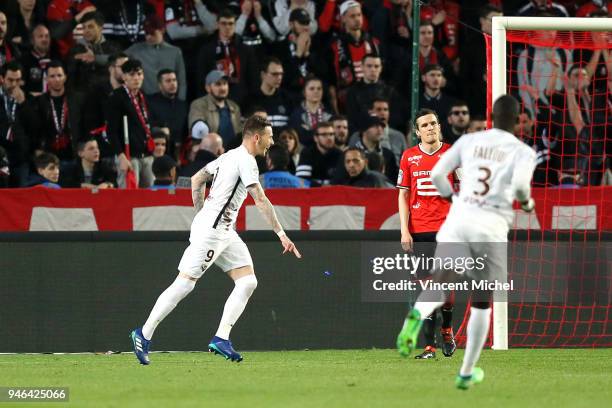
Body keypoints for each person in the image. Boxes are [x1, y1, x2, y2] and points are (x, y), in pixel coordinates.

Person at [130, 115, 301, 365]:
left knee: (248, 281)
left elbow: (198, 179)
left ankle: (221, 338)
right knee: (185, 283)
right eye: (269, 136)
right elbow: (261, 200)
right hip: (213, 232)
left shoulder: (228, 156)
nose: (271, 141)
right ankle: (143, 334)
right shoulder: (246, 161)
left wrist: (201, 214)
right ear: (257, 137)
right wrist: (281, 234)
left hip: (224, 231)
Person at [396, 95, 537, 389]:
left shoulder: (467, 142)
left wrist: (450, 197)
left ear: (491, 118)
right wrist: (526, 202)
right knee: (482, 301)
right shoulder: (522, 151)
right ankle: (466, 371)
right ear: (516, 120)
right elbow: (522, 188)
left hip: (458, 219)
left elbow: (437, 174)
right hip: (489, 225)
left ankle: (416, 315)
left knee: (439, 282)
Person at [396, 108, 456, 360]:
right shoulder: (409, 157)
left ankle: (447, 329)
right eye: (425, 125)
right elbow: (403, 194)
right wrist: (404, 230)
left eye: (434, 123)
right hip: (419, 231)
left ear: (439, 126)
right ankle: (429, 347)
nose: (430, 128)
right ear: (417, 131)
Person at [126, 15, 187, 99]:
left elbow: (182, 81)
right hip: (146, 101)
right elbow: (115, 59)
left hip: (170, 101)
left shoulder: (175, 52)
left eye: (152, 33)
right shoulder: (136, 50)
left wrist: (181, 102)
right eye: (146, 33)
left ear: (162, 30)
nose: (148, 37)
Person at [188, 70, 241, 148]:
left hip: (233, 154)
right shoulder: (199, 105)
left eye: (225, 84)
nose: (223, 88)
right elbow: (198, 129)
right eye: (218, 84)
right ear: (208, 87)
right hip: (212, 154)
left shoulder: (234, 107)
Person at [148, 69, 188, 159]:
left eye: (174, 80)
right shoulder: (150, 102)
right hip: (160, 151)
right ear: (160, 85)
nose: (173, 84)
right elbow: (147, 123)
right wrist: (160, 129)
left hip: (180, 152)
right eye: (168, 81)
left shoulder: (183, 105)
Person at [296, 121, 342, 186]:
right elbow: (301, 180)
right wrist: (322, 187)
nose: (329, 138)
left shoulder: (340, 154)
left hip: (334, 193)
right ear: (315, 138)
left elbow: (343, 179)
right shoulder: (307, 153)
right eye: (324, 135)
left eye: (331, 134)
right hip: (312, 193)